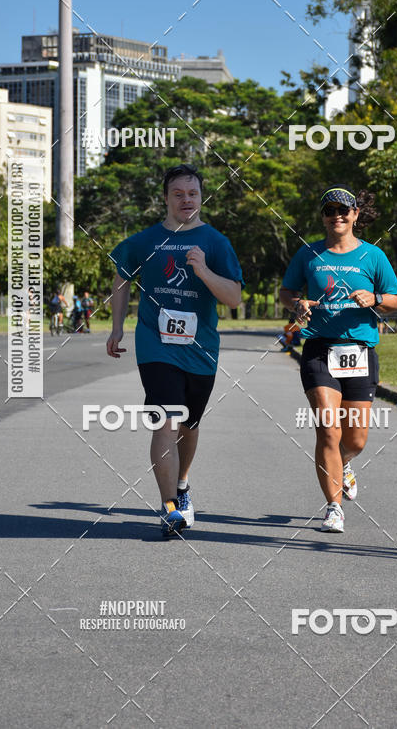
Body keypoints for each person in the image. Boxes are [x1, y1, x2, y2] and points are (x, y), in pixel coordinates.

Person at [106, 164, 243, 537]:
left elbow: (233, 298)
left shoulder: (215, 243)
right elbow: (121, 274)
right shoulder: (145, 241)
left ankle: (182, 484)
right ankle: (169, 508)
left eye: (193, 194)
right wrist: (118, 326)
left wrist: (203, 271)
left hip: (201, 351)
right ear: (165, 198)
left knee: (189, 425)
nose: (186, 200)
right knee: (165, 421)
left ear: (201, 197)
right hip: (155, 347)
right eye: (178, 194)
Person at [280, 185, 397, 534]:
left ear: (355, 215)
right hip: (318, 347)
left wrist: (375, 297)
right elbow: (287, 292)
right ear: (323, 217)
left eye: (344, 210)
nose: (337, 215)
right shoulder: (309, 254)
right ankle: (334, 508)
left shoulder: (373, 256)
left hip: (360, 351)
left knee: (356, 440)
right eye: (330, 210)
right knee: (328, 430)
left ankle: (343, 464)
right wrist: (297, 304)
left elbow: (395, 299)